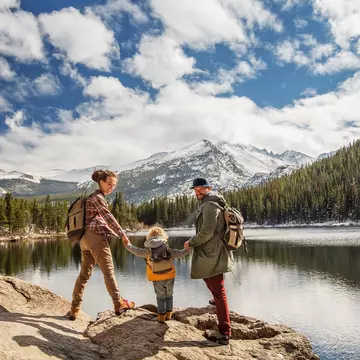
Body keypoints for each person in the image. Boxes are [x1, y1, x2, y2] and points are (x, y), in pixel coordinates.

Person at [67, 169, 135, 320]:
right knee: (108, 271)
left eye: (114, 185)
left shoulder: (92, 197)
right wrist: (122, 234)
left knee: (84, 275)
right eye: (109, 183)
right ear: (101, 182)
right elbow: (108, 216)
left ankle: (74, 308)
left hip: (84, 240)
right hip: (96, 238)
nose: (112, 187)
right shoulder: (98, 198)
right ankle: (119, 304)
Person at [184, 177, 234, 345]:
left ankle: (224, 333)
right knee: (210, 281)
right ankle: (216, 300)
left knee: (219, 290)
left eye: (200, 189)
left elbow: (207, 231)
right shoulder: (210, 203)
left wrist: (191, 242)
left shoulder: (210, 205)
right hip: (212, 251)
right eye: (195, 189)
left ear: (208, 188)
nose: (197, 192)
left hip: (212, 252)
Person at [122, 226, 189, 323]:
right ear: (163, 236)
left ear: (150, 237)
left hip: (156, 277)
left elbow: (137, 251)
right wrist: (187, 250)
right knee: (169, 295)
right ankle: (168, 315)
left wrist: (128, 245)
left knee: (160, 297)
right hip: (169, 275)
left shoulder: (149, 251)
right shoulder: (167, 249)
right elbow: (179, 253)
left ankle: (161, 317)